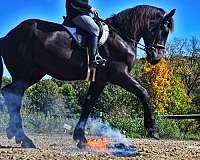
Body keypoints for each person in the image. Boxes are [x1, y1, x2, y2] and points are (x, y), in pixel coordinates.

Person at [65, 0, 106, 67]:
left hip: (84, 13)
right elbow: (76, 1)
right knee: (95, 29)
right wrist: (89, 7)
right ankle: (93, 60)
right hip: (76, 14)